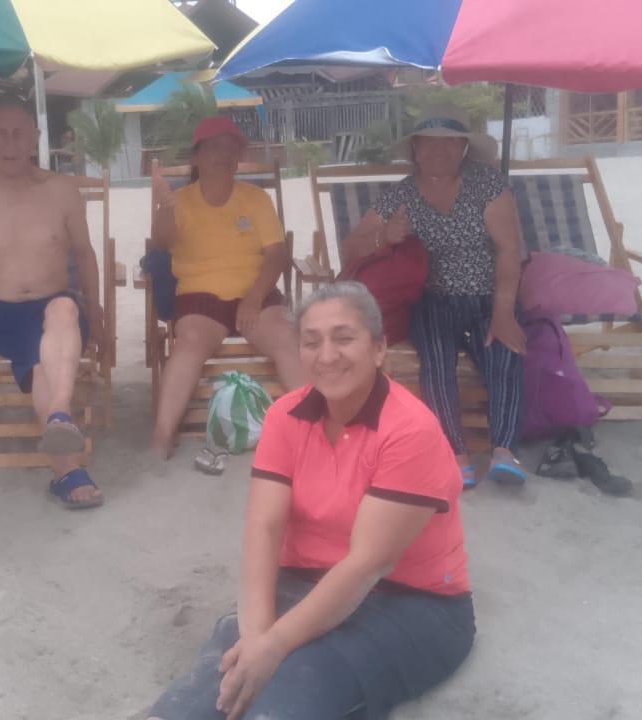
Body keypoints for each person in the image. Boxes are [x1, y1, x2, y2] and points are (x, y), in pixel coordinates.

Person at [148, 282, 474, 720]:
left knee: (295, 685)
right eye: (312, 341)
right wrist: (257, 637)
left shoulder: (409, 431)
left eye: (344, 338)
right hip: (303, 579)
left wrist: (276, 645)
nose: (327, 356)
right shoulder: (285, 415)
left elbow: (368, 564)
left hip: (411, 600)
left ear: (379, 349)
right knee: (223, 668)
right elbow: (263, 528)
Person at [342, 103, 526, 489]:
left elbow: (510, 249)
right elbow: (352, 247)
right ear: (416, 150)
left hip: (488, 294)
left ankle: (504, 450)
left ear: (464, 148)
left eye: (449, 143)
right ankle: (455, 453)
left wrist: (504, 312)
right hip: (432, 297)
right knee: (436, 359)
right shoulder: (402, 194)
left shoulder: (487, 184)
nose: (438, 150)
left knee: (504, 351)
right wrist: (384, 236)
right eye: (428, 143)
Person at [0, 99, 105, 509]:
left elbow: (85, 254)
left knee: (64, 311)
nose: (9, 142)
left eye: (19, 133)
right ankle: (64, 440)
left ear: (35, 138)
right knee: (39, 349)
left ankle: (62, 438)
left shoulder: (61, 190)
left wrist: (98, 315)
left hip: (59, 308)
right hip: (0, 313)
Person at [149, 116, 303, 458]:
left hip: (256, 294)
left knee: (286, 338)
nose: (224, 154)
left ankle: (315, 430)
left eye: (231, 148)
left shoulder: (256, 199)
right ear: (196, 157)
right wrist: (165, 209)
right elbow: (162, 243)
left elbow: (276, 255)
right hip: (199, 297)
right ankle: (162, 437)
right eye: (214, 147)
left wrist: (254, 297)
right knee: (189, 343)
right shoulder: (181, 200)